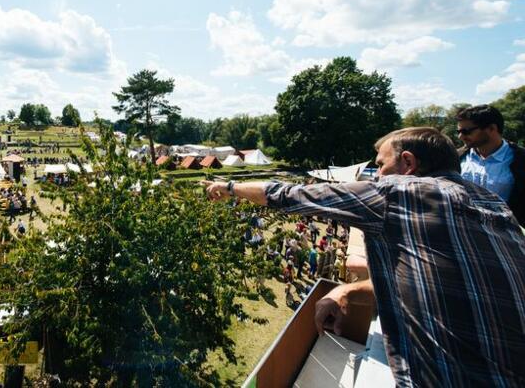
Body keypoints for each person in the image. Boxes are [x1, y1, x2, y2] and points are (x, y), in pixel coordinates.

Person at [202, 127, 525, 386]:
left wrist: (229, 187)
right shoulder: (497, 206)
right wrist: (348, 290)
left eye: (380, 165)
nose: (376, 173)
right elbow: (439, 282)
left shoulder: (399, 191)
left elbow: (287, 195)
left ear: (408, 164)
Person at [456, 104, 525, 225]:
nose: (460, 136)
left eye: (466, 131)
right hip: (466, 231)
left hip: (507, 237)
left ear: (492, 129)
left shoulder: (520, 160)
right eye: (459, 131)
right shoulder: (456, 157)